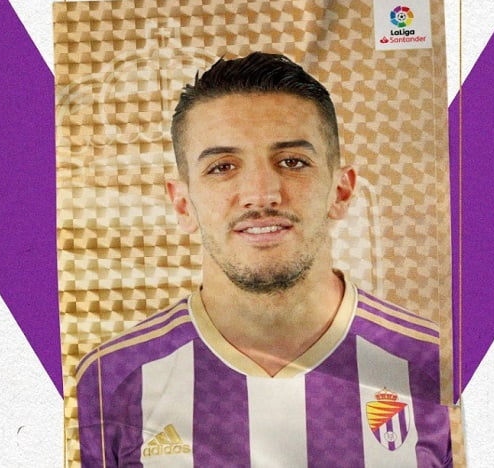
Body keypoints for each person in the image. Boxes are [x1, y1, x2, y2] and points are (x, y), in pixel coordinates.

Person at [75, 52, 452, 467]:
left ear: (341, 192)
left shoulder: (436, 364)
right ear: (182, 204)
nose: (261, 194)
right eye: (223, 167)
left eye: (292, 162)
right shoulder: (111, 382)